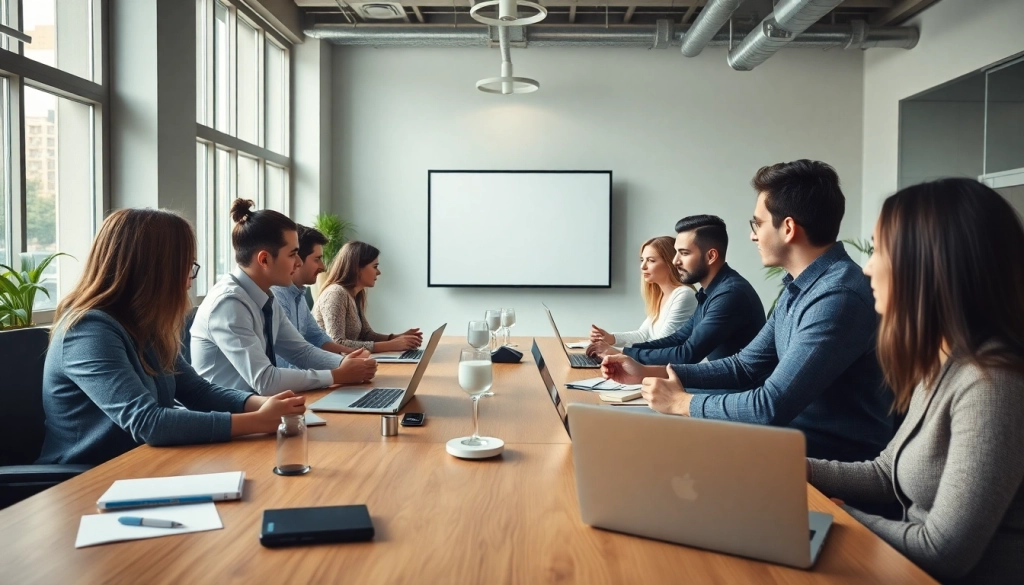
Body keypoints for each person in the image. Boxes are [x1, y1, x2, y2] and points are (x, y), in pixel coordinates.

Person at [603, 161, 893, 462]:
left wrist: (681, 403)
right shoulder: (801, 287)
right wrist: (647, 372)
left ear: (789, 228)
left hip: (823, 461)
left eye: (757, 224)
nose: (753, 235)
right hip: (787, 442)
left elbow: (770, 406)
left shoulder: (838, 296)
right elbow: (744, 366)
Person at [809, 179, 1024, 583]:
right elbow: (885, 472)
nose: (867, 266)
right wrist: (785, 465)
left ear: (928, 264)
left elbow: (944, 553)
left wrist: (838, 516)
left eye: (878, 250)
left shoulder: (993, 386)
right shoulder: (947, 361)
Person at [36, 209, 307, 466]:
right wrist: (258, 421)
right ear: (154, 271)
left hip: (146, 464)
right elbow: (148, 423)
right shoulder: (87, 329)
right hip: (86, 480)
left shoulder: (144, 324)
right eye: (186, 266)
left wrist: (267, 406)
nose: (190, 280)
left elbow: (196, 391)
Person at [191, 199, 377, 396]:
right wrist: (336, 375)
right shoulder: (228, 303)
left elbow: (301, 351)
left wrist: (345, 363)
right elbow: (266, 380)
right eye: (292, 254)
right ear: (264, 259)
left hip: (260, 409)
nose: (298, 262)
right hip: (232, 418)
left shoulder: (264, 296)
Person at [588, 215, 764, 364]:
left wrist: (622, 354)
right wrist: (621, 351)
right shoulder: (709, 292)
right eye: (676, 253)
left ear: (711, 256)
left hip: (736, 394)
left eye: (684, 253)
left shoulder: (729, 294)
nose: (675, 261)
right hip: (721, 387)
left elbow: (688, 354)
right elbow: (678, 339)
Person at [586, 236, 697, 354]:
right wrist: (610, 338)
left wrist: (614, 351)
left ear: (671, 263)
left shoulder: (684, 295)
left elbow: (662, 343)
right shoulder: (661, 296)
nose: (642, 266)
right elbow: (643, 334)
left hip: (668, 369)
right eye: (642, 260)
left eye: (651, 260)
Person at [271, 224, 355, 369]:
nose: (323, 267)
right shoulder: (277, 297)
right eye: (317, 259)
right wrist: (341, 365)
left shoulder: (299, 295)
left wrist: (351, 355)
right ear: (298, 260)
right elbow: (287, 363)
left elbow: (317, 337)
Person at [313, 241, 422, 352]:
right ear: (357, 268)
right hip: (329, 366)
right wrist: (391, 345)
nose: (378, 272)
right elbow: (337, 343)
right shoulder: (335, 293)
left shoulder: (355, 294)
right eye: (375, 266)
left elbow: (366, 335)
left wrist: (398, 338)